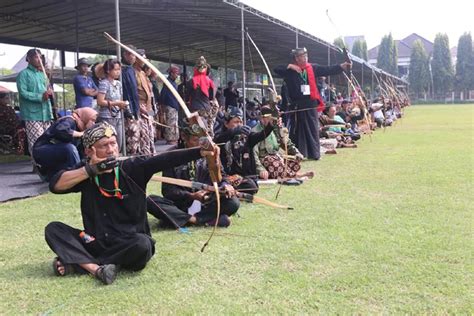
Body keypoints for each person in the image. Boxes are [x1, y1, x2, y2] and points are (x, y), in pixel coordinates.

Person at [44, 121, 217, 285]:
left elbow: (165, 159)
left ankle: (81, 264)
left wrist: (200, 151)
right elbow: (56, 185)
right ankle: (97, 269)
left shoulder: (132, 168)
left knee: (144, 245)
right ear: (90, 152)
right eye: (104, 146)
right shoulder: (85, 173)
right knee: (54, 229)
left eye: (113, 143)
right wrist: (92, 170)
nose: (111, 150)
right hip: (96, 242)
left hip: (130, 242)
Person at [148, 119, 239, 228]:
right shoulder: (172, 155)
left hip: (206, 203)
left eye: (202, 140)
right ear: (183, 136)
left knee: (233, 202)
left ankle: (189, 220)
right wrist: (191, 196)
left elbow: (222, 176)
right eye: (195, 140)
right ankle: (199, 220)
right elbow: (168, 191)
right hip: (181, 205)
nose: (199, 144)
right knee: (151, 201)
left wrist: (225, 185)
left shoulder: (210, 151)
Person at [273, 47, 351, 160]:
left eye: (306, 56)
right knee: (298, 130)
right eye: (302, 57)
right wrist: (290, 66)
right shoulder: (290, 70)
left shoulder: (312, 68)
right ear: (296, 58)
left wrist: (342, 66)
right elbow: (276, 69)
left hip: (310, 104)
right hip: (297, 105)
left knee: (313, 128)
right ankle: (300, 153)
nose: (305, 58)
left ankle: (314, 154)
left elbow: (328, 69)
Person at [214, 107, 274, 195]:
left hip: (246, 178)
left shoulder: (247, 137)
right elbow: (218, 140)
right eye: (235, 122)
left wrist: (270, 125)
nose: (239, 125)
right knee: (250, 185)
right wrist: (234, 131)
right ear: (226, 124)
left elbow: (261, 135)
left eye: (240, 122)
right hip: (228, 177)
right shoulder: (221, 137)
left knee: (252, 185)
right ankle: (227, 189)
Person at [33, 108, 97, 181]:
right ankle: (76, 177)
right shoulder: (70, 120)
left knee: (80, 152)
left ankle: (48, 173)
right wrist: (80, 134)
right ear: (85, 117)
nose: (93, 124)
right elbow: (60, 130)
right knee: (70, 148)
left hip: (55, 153)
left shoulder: (80, 127)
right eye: (92, 120)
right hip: (42, 150)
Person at [253, 106, 309, 181]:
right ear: (262, 118)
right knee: (272, 162)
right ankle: (294, 176)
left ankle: (289, 174)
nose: (272, 120)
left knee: (295, 161)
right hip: (265, 160)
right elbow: (254, 154)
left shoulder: (274, 128)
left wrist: (296, 153)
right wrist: (260, 169)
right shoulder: (255, 132)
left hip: (277, 157)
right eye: (270, 118)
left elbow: (286, 142)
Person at [16, 48, 53, 162]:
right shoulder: (23, 74)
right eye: (36, 57)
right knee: (36, 141)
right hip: (32, 114)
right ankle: (37, 165)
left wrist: (49, 93)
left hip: (45, 113)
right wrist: (40, 96)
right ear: (29, 59)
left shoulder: (43, 75)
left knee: (47, 140)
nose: (39, 59)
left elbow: (47, 91)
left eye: (40, 57)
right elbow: (23, 93)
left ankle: (44, 164)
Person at [96, 59, 128, 151]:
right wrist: (117, 103)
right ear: (108, 70)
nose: (118, 72)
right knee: (109, 140)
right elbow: (100, 101)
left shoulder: (118, 84)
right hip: (106, 118)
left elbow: (120, 98)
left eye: (119, 69)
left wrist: (122, 104)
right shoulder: (104, 83)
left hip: (118, 116)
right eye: (116, 69)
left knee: (119, 142)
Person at [186, 56, 218, 137]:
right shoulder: (210, 81)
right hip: (206, 109)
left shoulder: (191, 81)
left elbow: (187, 97)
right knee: (206, 128)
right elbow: (211, 97)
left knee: (195, 130)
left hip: (194, 109)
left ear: (196, 68)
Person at [159, 65, 181, 145]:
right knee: (170, 123)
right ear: (171, 73)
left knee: (174, 123)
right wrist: (162, 105)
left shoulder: (174, 83)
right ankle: (170, 139)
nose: (177, 75)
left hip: (174, 105)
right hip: (170, 105)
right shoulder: (167, 83)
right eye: (175, 74)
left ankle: (174, 138)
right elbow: (163, 94)